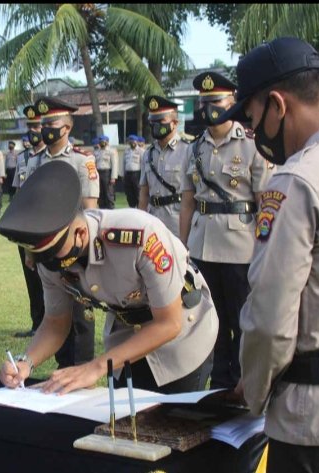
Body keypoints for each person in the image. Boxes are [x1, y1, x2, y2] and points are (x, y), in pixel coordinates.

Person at [218, 37, 319, 472]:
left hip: (317, 421)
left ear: (278, 104)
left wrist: (252, 389)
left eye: (252, 120)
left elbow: (270, 321)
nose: (254, 135)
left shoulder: (299, 180)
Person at [0, 160, 218, 395]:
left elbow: (169, 323)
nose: (45, 264)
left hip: (182, 338)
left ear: (80, 233)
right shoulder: (51, 257)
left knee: (169, 426)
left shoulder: (139, 235)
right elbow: (55, 322)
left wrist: (97, 366)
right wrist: (25, 362)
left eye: (51, 254)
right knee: (124, 423)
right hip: (126, 336)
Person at [178, 71, 273, 390]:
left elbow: (264, 204)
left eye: (215, 101)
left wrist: (265, 248)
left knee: (241, 320)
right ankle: (219, 382)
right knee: (210, 320)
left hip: (240, 247)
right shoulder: (194, 149)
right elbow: (188, 203)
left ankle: (246, 381)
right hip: (203, 244)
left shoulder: (252, 145)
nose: (208, 108)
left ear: (233, 102)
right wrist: (182, 248)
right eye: (203, 102)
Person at [29, 96, 100, 368]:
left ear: (67, 128)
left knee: (80, 308)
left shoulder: (82, 161)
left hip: (74, 245)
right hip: (43, 246)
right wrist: (29, 251)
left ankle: (81, 365)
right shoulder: (34, 162)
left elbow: (90, 209)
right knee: (55, 308)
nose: (46, 128)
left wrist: (85, 249)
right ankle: (62, 363)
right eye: (44, 123)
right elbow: (28, 211)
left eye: (52, 123)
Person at [12, 105, 47, 338]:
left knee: (50, 279)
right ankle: (37, 324)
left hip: (47, 225)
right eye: (30, 126)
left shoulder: (52, 156)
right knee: (31, 278)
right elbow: (17, 192)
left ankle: (51, 325)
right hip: (26, 227)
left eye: (37, 126)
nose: (33, 131)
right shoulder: (22, 157)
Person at [138, 95, 192, 238]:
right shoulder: (148, 154)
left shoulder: (188, 150)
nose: (156, 125)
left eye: (161, 121)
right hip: (152, 220)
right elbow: (144, 193)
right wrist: (140, 222)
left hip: (177, 221)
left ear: (174, 123)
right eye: (152, 121)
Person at [93, 135, 118, 209]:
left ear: (107, 142)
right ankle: (102, 208)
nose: (102, 143)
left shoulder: (111, 151)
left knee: (109, 193)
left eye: (103, 142)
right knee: (100, 193)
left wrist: (113, 177)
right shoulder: (97, 152)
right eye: (100, 142)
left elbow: (114, 164)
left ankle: (111, 208)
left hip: (107, 173)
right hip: (98, 173)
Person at [122, 134, 143, 208]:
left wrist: (142, 176)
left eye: (133, 141)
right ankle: (131, 207)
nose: (132, 143)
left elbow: (143, 164)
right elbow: (123, 163)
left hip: (137, 174)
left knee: (138, 192)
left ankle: (140, 208)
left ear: (137, 142)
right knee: (129, 193)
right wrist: (123, 174)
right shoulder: (126, 151)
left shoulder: (141, 151)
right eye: (130, 141)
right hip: (128, 174)